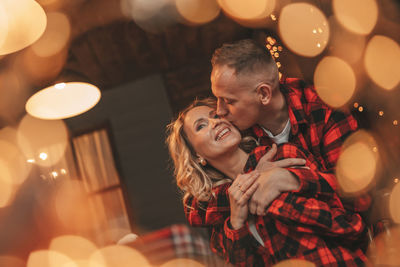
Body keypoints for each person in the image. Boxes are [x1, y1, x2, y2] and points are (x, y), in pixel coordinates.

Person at [166, 98, 369, 266]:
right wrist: (237, 223)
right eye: (201, 126)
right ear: (198, 156)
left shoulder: (282, 155)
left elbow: (350, 226)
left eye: (215, 115)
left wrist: (272, 192)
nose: (215, 122)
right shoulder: (222, 222)